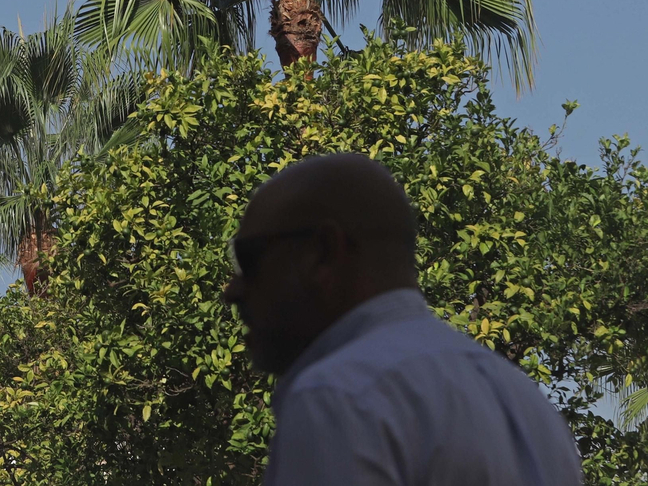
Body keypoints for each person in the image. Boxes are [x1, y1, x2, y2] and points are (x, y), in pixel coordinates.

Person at [221, 152, 582, 486]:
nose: (232, 290)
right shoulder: (529, 408)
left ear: (324, 251)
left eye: (249, 260)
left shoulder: (341, 396)